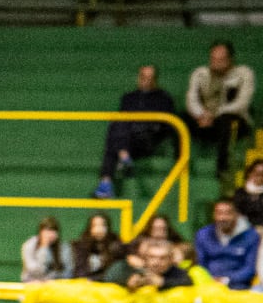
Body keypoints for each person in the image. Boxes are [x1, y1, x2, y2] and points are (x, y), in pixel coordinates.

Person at [94, 64, 180, 199]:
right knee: (116, 128)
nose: (146, 80)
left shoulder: (164, 99)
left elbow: (168, 126)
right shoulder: (128, 98)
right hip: (129, 139)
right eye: (143, 77)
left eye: (150, 78)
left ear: (155, 80)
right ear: (138, 78)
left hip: (148, 140)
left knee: (115, 140)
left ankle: (107, 180)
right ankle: (118, 165)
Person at [186, 41, 254, 182]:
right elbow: (191, 99)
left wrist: (215, 114)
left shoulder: (244, 74)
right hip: (205, 120)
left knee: (226, 119)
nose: (215, 63)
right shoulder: (200, 74)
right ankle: (182, 166)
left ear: (230, 60)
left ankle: (222, 168)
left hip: (233, 121)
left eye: (220, 60)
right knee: (179, 120)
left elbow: (241, 104)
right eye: (213, 59)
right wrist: (201, 114)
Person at [194, 198, 257, 290]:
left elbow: (250, 268)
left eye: (228, 213)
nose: (222, 218)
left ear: (237, 215)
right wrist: (209, 280)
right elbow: (201, 264)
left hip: (239, 287)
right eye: (219, 213)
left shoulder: (251, 236)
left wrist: (226, 280)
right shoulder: (203, 234)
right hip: (208, 285)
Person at [71, 212, 127, 279]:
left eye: (102, 225)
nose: (99, 229)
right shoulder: (83, 244)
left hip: (108, 283)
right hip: (86, 283)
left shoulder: (115, 244)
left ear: (107, 228)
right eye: (95, 226)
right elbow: (79, 270)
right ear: (90, 228)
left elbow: (115, 271)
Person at [21, 217, 70, 284]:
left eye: (53, 231)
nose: (50, 235)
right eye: (47, 231)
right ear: (40, 232)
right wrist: (44, 247)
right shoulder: (29, 245)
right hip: (32, 284)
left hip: (55, 285)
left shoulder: (63, 248)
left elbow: (68, 271)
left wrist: (52, 280)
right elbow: (33, 270)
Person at [233, 162, 263, 230]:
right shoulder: (240, 192)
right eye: (257, 173)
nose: (260, 176)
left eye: (262, 174)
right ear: (250, 173)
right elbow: (236, 212)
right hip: (244, 229)